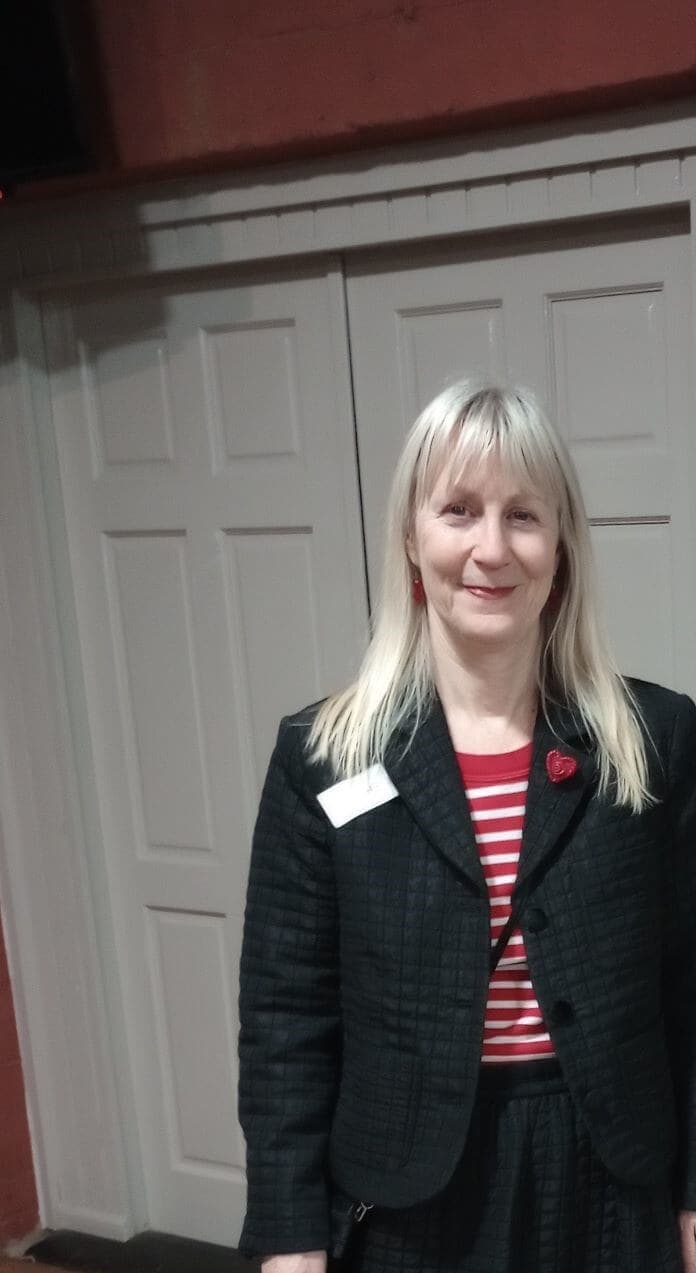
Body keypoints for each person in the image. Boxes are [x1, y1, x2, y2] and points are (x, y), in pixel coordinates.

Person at [237, 380, 696, 1273]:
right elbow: (285, 1020)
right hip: (414, 1194)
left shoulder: (656, 740)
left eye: (524, 514)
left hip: (612, 1178)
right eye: (459, 510)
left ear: (560, 545)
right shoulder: (325, 756)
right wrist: (289, 1238)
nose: (491, 548)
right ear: (412, 536)